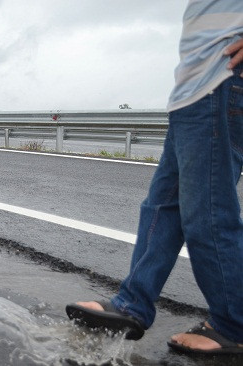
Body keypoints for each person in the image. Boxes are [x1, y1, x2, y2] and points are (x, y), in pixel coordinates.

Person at [66, 0, 243, 355]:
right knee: (162, 207)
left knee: (207, 214)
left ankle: (233, 325)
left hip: (221, 82)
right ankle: (133, 304)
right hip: (194, 91)